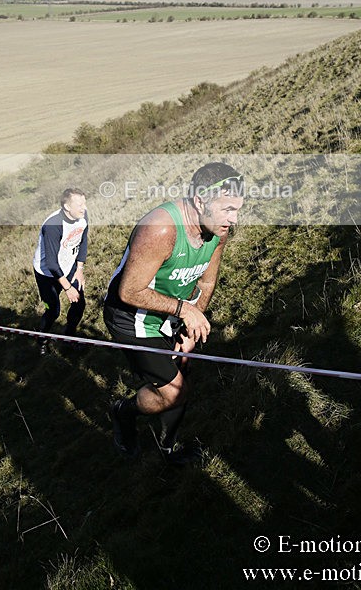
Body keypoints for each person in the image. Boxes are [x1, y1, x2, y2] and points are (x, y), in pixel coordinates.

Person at [103, 162, 244, 463]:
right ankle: (123, 412)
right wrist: (185, 310)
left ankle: (167, 448)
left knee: (183, 372)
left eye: (237, 210)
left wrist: (189, 328)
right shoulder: (161, 228)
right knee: (173, 391)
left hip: (169, 313)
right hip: (132, 318)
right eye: (227, 209)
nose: (233, 220)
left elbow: (206, 280)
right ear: (199, 201)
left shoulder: (216, 230)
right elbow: (129, 292)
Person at [33, 188, 88, 354]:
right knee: (53, 310)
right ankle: (42, 340)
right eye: (79, 204)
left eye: (84, 203)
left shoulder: (82, 215)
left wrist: (79, 269)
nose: (84, 207)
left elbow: (83, 241)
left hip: (69, 265)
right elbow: (51, 263)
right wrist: (67, 287)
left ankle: (69, 336)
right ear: (66, 206)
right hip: (47, 274)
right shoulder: (53, 225)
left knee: (79, 303)